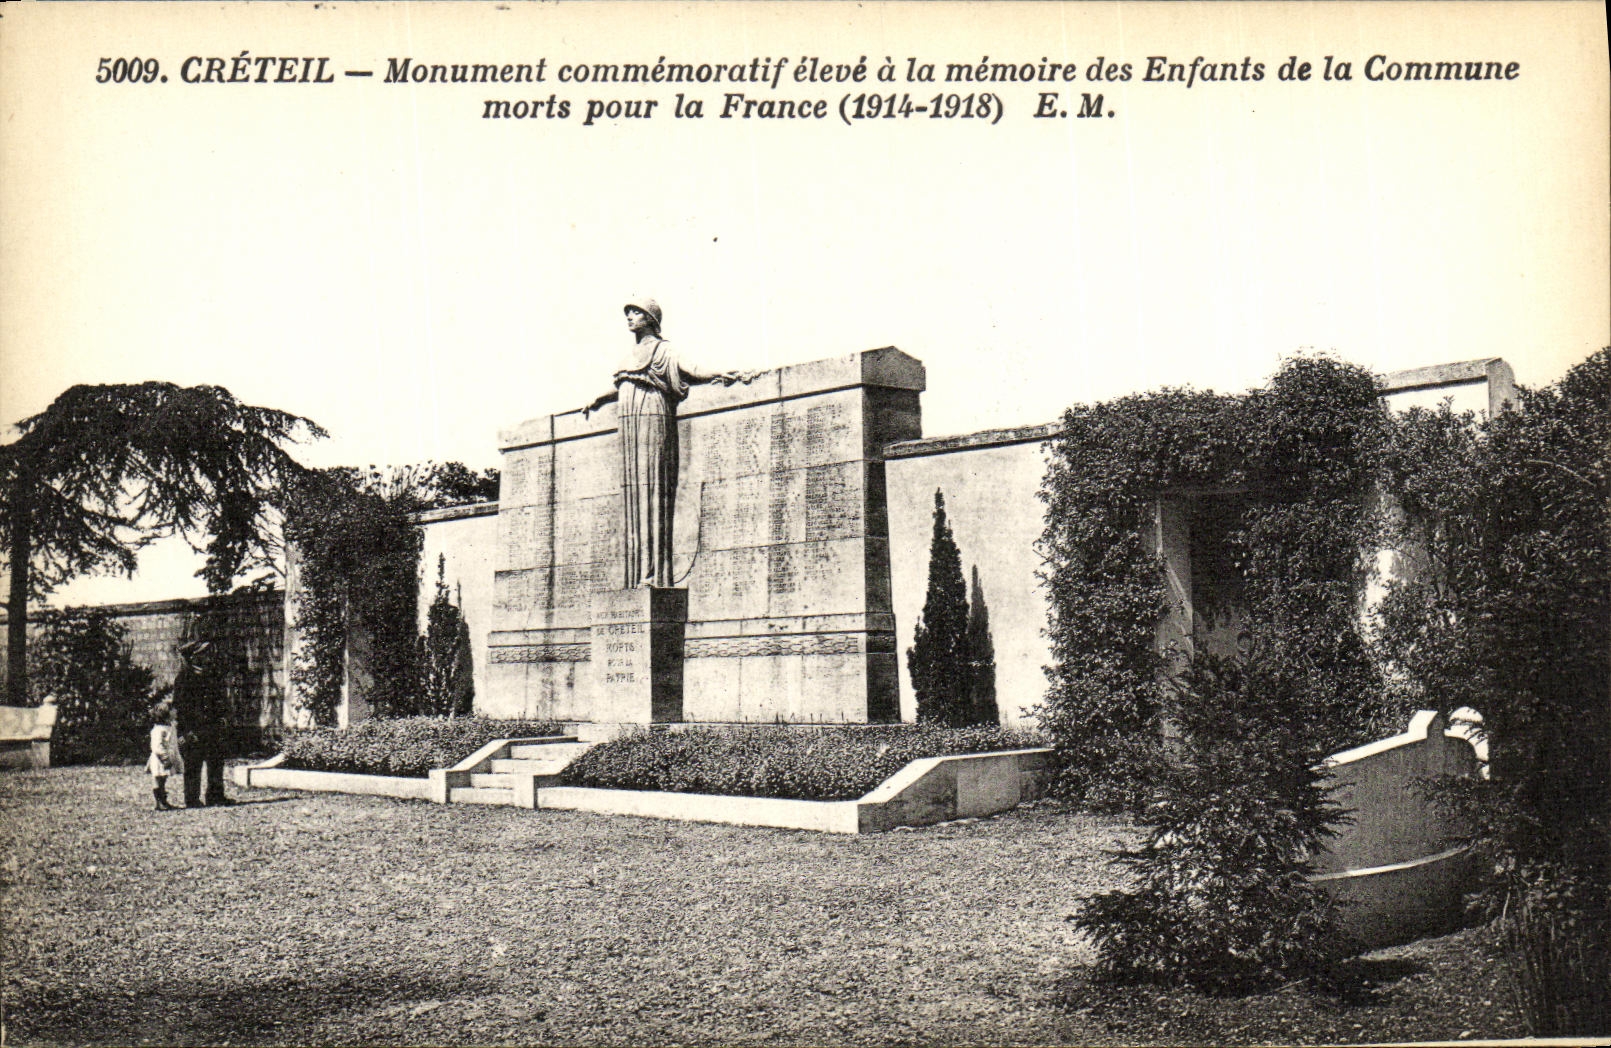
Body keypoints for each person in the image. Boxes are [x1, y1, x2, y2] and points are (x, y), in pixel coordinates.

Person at [584, 299, 753, 587]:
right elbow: (620, 385)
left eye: (635, 312)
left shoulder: (664, 350)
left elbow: (693, 369)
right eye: (627, 313)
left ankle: (655, 575)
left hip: (653, 417)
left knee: (653, 491)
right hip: (629, 425)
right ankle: (635, 576)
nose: (629, 317)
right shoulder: (628, 358)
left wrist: (720, 374)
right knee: (634, 494)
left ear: (650, 318)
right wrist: (598, 400)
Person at [172, 639, 232, 807]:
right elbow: (181, 707)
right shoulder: (184, 678)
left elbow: (220, 700)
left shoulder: (211, 675)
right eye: (202, 653)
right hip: (193, 729)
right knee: (193, 764)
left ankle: (215, 796)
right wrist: (186, 731)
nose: (207, 657)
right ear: (193, 657)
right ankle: (191, 798)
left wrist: (223, 717)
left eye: (207, 653)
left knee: (216, 761)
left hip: (212, 727)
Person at [146, 698, 181, 811]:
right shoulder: (159, 729)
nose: (175, 712)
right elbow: (157, 746)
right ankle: (159, 801)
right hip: (160, 759)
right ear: (166, 714)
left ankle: (163, 800)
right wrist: (165, 758)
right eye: (173, 710)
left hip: (168, 757)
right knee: (158, 778)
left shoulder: (170, 726)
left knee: (163, 778)